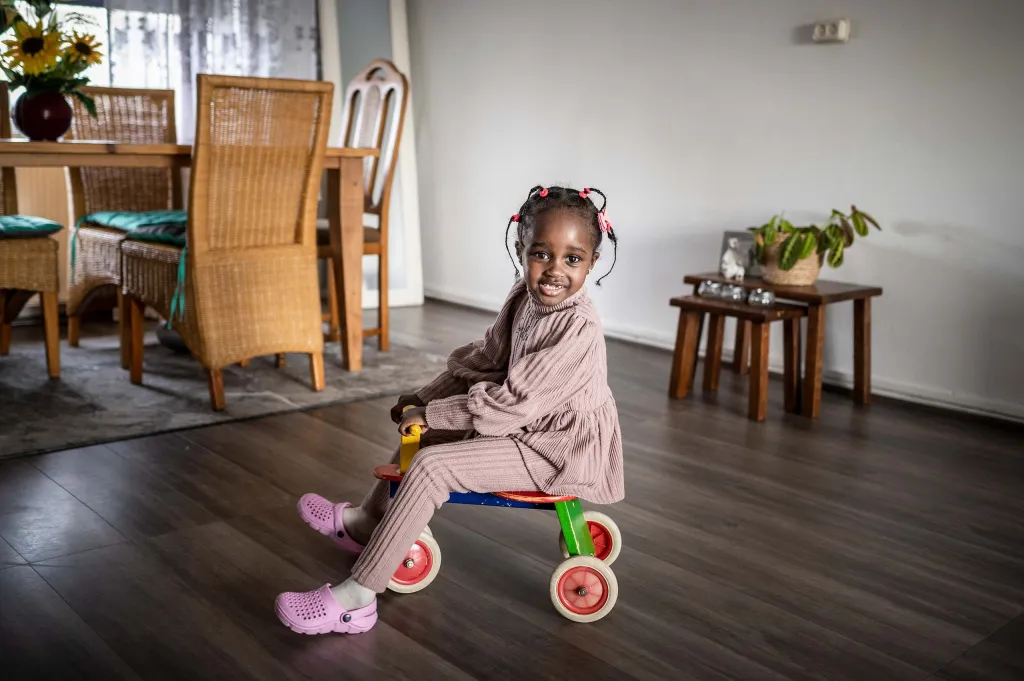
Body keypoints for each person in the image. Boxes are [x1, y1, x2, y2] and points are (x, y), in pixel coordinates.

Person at [275, 185, 624, 635]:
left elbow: (510, 403)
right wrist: (424, 400)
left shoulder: (576, 329)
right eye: (541, 254)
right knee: (418, 435)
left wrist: (436, 414)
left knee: (432, 466)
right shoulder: (524, 297)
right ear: (521, 250)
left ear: (592, 263)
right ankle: (367, 522)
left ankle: (357, 598)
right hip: (524, 426)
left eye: (573, 259)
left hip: (554, 448)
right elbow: (483, 361)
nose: (555, 270)